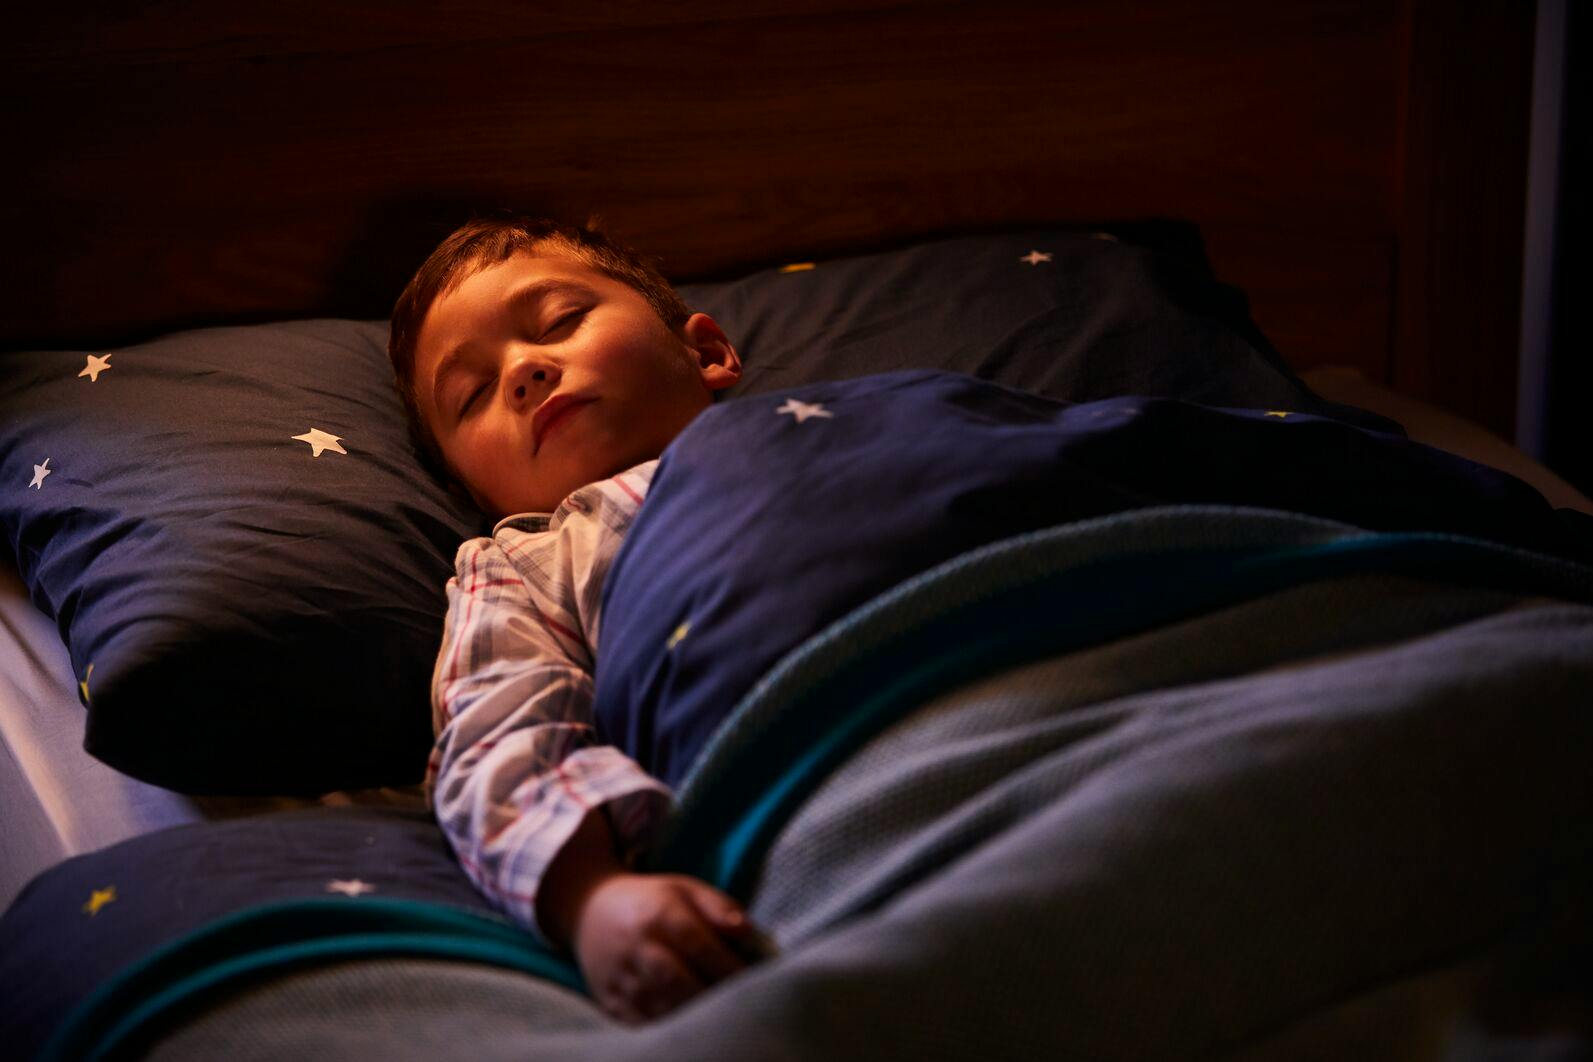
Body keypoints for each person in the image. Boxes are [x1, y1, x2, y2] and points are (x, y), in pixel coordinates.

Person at [388, 214, 763, 1025]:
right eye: (472, 394)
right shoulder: (524, 564)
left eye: (559, 321)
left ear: (705, 352)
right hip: (798, 756)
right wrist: (592, 897)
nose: (522, 370)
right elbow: (494, 739)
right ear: (482, 495)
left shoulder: (858, 411)